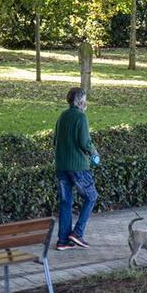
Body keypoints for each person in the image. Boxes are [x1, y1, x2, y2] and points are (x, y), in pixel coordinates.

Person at [54, 87, 100, 250]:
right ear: (80, 101)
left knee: (66, 202)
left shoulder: (62, 116)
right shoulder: (81, 117)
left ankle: (63, 240)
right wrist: (94, 154)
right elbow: (84, 142)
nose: (86, 103)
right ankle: (77, 233)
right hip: (78, 167)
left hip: (61, 166)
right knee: (91, 196)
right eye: (85, 100)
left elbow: (55, 141)